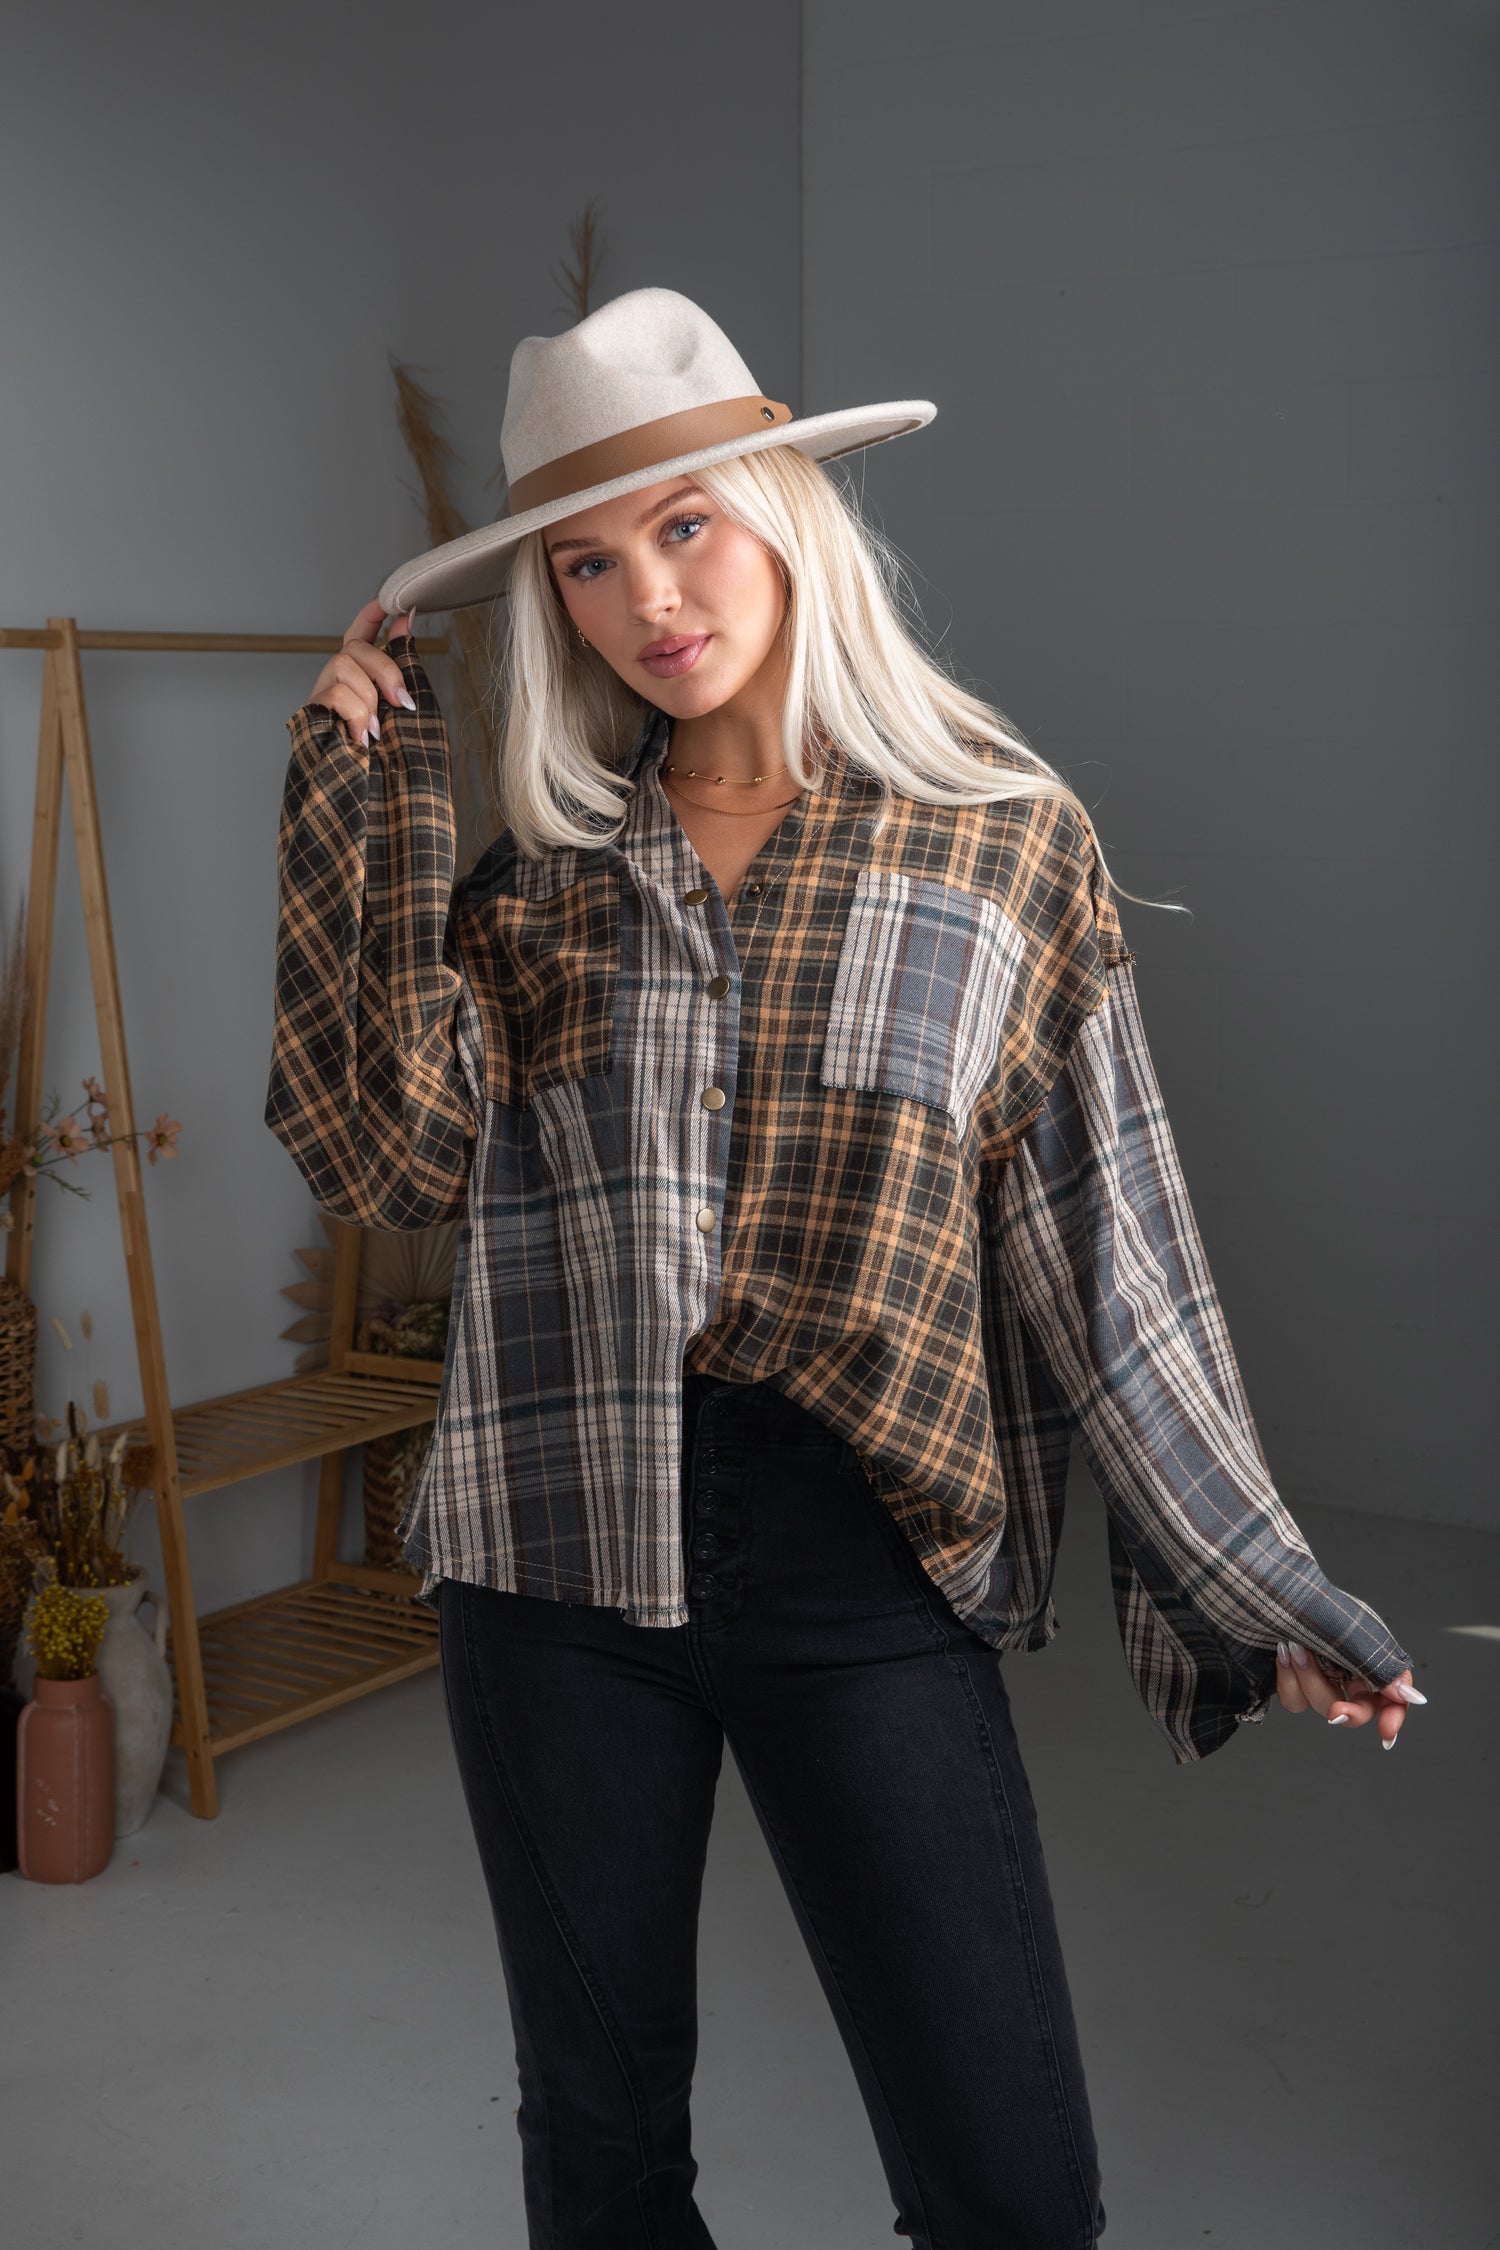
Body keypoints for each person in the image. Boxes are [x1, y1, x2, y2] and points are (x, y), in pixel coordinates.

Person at [266, 288, 1424, 2250]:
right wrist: (346, 806)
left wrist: (1256, 1582)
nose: (650, 595)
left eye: (689, 521)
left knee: (1009, 2193)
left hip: (862, 1549)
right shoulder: (531, 878)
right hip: (550, 1557)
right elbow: (385, 1153)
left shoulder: (999, 844)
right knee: (603, 2164)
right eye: (588, 561)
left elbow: (1104, 1251)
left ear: (788, 504)